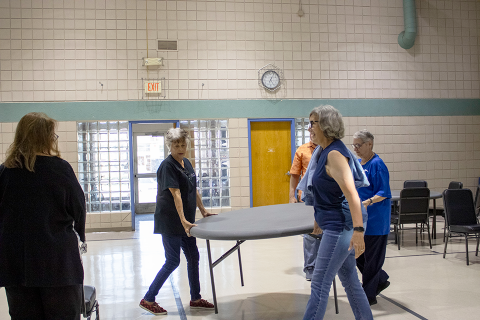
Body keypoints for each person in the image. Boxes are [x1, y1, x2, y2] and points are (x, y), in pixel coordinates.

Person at [0, 112, 86, 320]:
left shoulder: (4, 172)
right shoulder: (60, 169)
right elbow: (78, 207)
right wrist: (81, 235)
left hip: (16, 263)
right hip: (57, 262)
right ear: (45, 138)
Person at [303, 105, 373, 320]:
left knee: (320, 283)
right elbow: (326, 191)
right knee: (350, 280)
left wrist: (358, 231)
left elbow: (352, 195)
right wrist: (318, 217)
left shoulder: (334, 154)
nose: (309, 128)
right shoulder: (323, 151)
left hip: (341, 226)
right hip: (333, 223)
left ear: (325, 125)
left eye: (313, 123)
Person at [139, 128, 215, 315]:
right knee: (172, 261)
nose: (180, 148)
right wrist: (183, 220)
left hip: (187, 222)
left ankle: (196, 298)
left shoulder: (186, 163)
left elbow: (193, 189)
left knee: (193, 258)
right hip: (171, 222)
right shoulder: (167, 166)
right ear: (169, 146)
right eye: (176, 145)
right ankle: (148, 299)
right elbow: (176, 194)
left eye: (183, 144)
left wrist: (203, 211)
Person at [353, 130, 391, 306]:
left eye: (359, 145)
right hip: (362, 220)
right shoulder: (360, 163)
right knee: (358, 255)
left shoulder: (378, 165)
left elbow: (383, 192)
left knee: (372, 259)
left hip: (376, 220)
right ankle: (381, 280)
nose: (356, 149)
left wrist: (366, 202)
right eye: (354, 145)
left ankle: (368, 296)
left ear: (370, 144)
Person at [289, 134, 320, 281]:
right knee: (310, 233)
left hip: (325, 199)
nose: (313, 134)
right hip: (307, 198)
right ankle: (310, 267)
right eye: (311, 132)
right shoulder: (302, 150)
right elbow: (294, 174)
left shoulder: (328, 149)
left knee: (325, 232)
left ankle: (322, 266)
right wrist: (291, 196)